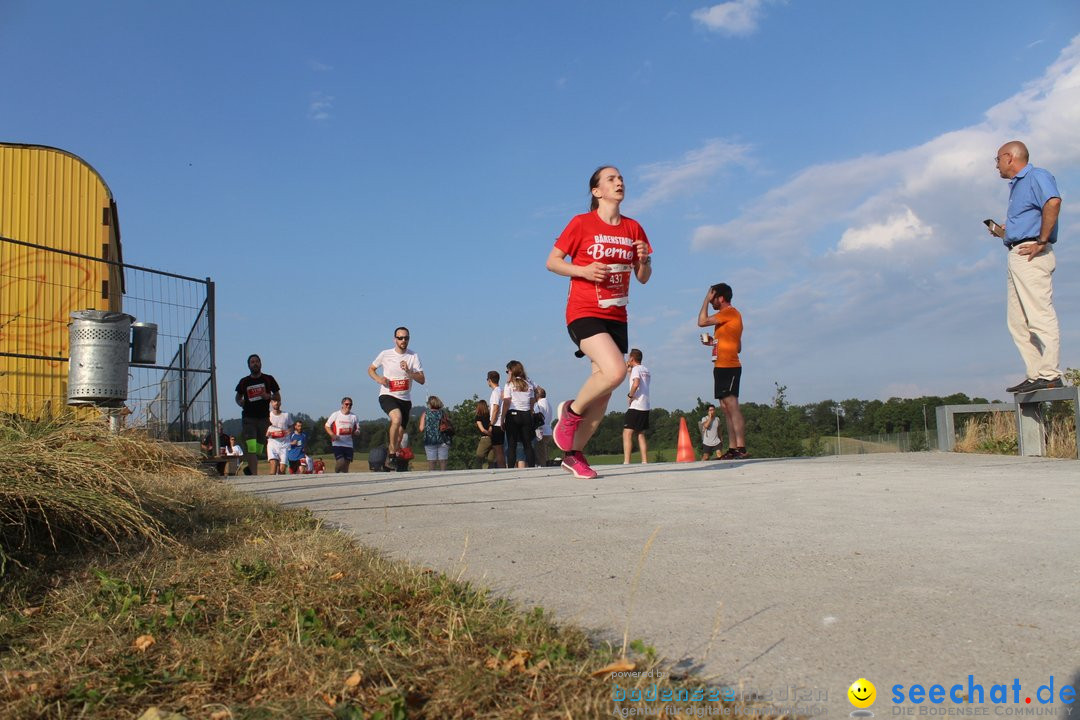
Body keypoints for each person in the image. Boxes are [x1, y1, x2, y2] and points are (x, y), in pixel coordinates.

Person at [546, 165, 652, 479]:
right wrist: (583, 271)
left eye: (621, 178)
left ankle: (572, 454)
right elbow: (552, 261)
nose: (619, 182)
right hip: (583, 312)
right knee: (617, 371)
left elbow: (643, 278)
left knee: (604, 394)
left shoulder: (634, 228)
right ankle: (572, 411)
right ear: (597, 191)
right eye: (611, 179)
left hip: (617, 316)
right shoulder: (581, 223)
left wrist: (644, 261)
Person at [988, 141, 1063, 393]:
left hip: (1032, 252)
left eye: (997, 159)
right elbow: (1032, 215)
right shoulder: (1018, 185)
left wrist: (1041, 240)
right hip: (1017, 252)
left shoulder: (1036, 175)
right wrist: (1007, 231)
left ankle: (1050, 373)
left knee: (1039, 313)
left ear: (1010, 158)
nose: (996, 164)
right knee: (1018, 321)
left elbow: (1052, 202)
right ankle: (1035, 374)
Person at [698, 283, 747, 459]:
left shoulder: (730, 312)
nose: (711, 302)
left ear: (721, 298)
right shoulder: (727, 318)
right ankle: (733, 448)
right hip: (720, 366)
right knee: (726, 408)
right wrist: (713, 342)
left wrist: (705, 299)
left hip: (730, 366)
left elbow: (701, 321)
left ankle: (741, 447)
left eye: (713, 298)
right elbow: (738, 346)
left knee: (732, 406)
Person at [368, 327, 425, 469]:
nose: (403, 340)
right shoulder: (385, 354)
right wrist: (379, 379)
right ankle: (392, 453)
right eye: (400, 338)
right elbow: (371, 369)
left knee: (399, 437)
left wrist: (409, 371)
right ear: (395, 339)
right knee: (396, 418)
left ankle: (388, 460)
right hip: (388, 395)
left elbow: (422, 379)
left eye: (406, 338)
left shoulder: (413, 356)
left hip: (405, 399)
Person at [234, 354, 280, 476]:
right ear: (248, 365)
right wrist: (240, 402)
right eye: (252, 362)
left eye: (257, 361)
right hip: (249, 418)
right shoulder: (244, 381)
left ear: (261, 363)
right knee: (251, 446)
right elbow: (237, 397)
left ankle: (250, 468)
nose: (255, 364)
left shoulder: (268, 379)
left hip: (263, 418)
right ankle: (254, 475)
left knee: (259, 448)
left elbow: (278, 396)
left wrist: (268, 396)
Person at [501, 361, 537, 468]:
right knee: (527, 444)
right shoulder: (528, 384)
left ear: (511, 371)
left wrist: (502, 418)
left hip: (513, 415)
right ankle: (531, 467)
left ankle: (511, 468)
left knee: (512, 445)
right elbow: (532, 400)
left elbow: (507, 402)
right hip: (526, 415)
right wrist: (530, 412)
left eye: (508, 371)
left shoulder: (509, 385)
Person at [622, 348, 651, 464]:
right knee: (640, 433)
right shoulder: (646, 369)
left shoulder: (636, 369)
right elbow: (637, 381)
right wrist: (629, 371)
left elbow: (636, 383)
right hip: (645, 405)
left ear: (632, 358)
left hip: (636, 405)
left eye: (629, 357)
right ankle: (644, 461)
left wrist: (630, 396)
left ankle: (626, 461)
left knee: (627, 433)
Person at [324, 397, 360, 473]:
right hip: (337, 443)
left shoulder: (354, 417)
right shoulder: (335, 414)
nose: (348, 406)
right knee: (341, 462)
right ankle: (336, 473)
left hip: (349, 444)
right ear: (342, 405)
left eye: (350, 404)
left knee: (346, 467)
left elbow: (358, 429)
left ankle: (344, 481)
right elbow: (327, 426)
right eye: (346, 404)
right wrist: (332, 435)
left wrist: (357, 432)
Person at [419, 395, 452, 471]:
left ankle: (432, 479)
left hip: (430, 440)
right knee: (443, 461)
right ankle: (443, 477)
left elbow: (421, 428)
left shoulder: (425, 414)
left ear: (429, 404)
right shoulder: (443, 413)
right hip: (443, 439)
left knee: (431, 462)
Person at [265, 397, 292, 475]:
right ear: (271, 403)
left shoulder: (286, 415)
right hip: (272, 443)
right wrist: (266, 434)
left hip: (284, 444)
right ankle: (271, 484)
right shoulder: (268, 415)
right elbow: (263, 428)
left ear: (280, 403)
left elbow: (292, 426)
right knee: (273, 465)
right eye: (274, 401)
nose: (276, 403)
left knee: (282, 469)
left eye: (278, 401)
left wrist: (289, 431)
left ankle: (281, 484)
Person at [486, 370, 506, 469]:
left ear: (489, 380)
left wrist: (491, 424)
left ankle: (501, 468)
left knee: (498, 449)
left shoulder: (495, 392)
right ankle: (502, 466)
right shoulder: (501, 390)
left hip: (496, 424)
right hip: (502, 423)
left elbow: (495, 409)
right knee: (501, 449)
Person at [471, 399, 496, 469]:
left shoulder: (478, 417)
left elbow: (482, 430)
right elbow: (492, 424)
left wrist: (489, 434)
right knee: (491, 459)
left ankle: (477, 471)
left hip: (485, 438)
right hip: (494, 438)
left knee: (479, 456)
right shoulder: (490, 415)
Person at [533, 386, 553, 467]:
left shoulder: (539, 404)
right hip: (548, 430)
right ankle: (545, 465)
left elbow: (537, 417)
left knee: (540, 453)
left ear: (538, 395)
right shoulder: (548, 403)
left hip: (541, 431)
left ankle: (542, 467)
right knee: (545, 452)